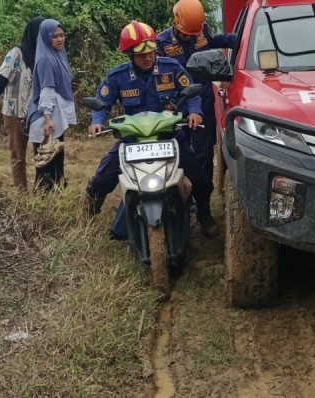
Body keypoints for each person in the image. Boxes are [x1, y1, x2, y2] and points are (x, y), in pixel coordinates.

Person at [85, 20, 219, 239]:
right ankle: (88, 216)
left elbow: (191, 91)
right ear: (129, 54)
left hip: (169, 137)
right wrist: (97, 121)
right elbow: (103, 101)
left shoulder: (171, 67)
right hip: (133, 141)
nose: (148, 58)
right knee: (101, 178)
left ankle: (204, 215)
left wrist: (195, 112)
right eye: (141, 55)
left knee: (200, 178)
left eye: (151, 53)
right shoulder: (117, 76)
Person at [156, 0, 237, 205]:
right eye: (185, 34)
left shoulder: (203, 33)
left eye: (194, 34)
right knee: (175, 154)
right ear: (176, 22)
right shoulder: (161, 44)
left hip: (203, 105)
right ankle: (179, 201)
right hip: (175, 107)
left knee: (203, 155)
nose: (190, 38)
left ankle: (203, 206)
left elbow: (219, 41)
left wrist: (245, 39)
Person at [0, 16, 44, 191]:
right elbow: (2, 79)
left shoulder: (45, 54)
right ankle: (22, 194)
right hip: (15, 113)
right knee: (18, 155)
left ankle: (42, 193)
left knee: (42, 156)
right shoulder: (16, 53)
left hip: (38, 114)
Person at [25, 18, 76, 192]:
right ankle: (42, 208)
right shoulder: (46, 59)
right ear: (47, 39)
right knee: (45, 168)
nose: (60, 39)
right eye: (55, 36)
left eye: (62, 35)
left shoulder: (58, 56)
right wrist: (48, 120)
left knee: (55, 164)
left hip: (54, 119)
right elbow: (46, 91)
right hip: (45, 121)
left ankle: (56, 201)